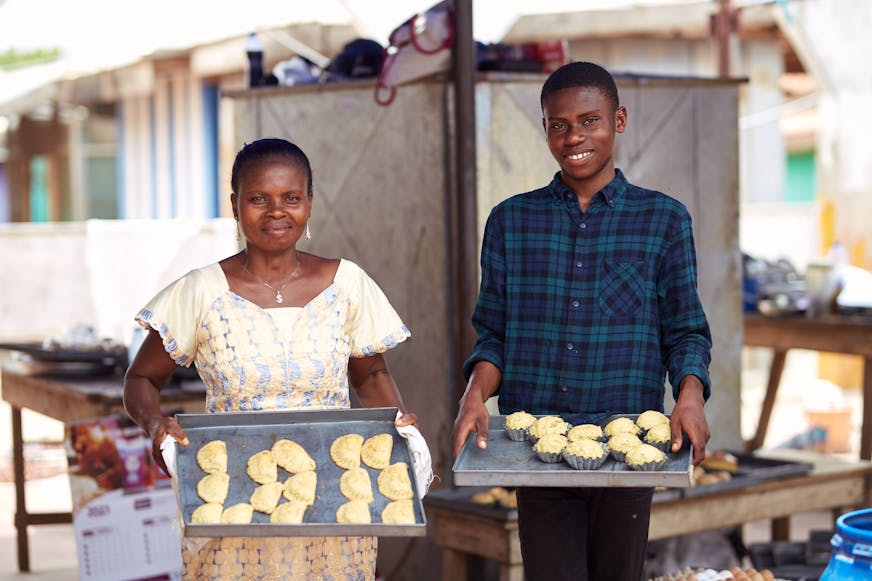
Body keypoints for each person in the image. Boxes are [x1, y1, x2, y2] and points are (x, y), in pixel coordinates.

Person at [451, 61, 713, 581]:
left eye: (589, 121)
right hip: (537, 454)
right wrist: (474, 396)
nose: (574, 137)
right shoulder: (511, 222)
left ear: (618, 120)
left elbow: (685, 330)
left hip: (632, 446)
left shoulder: (663, 220)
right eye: (558, 124)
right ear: (545, 127)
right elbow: (494, 335)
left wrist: (690, 396)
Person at [123, 137, 417, 580]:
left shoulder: (346, 284)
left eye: (291, 198)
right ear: (236, 205)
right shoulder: (202, 290)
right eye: (259, 198)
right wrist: (154, 424)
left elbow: (371, 372)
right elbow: (141, 379)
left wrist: (399, 433)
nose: (276, 211)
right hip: (229, 496)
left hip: (333, 497)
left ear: (310, 203)